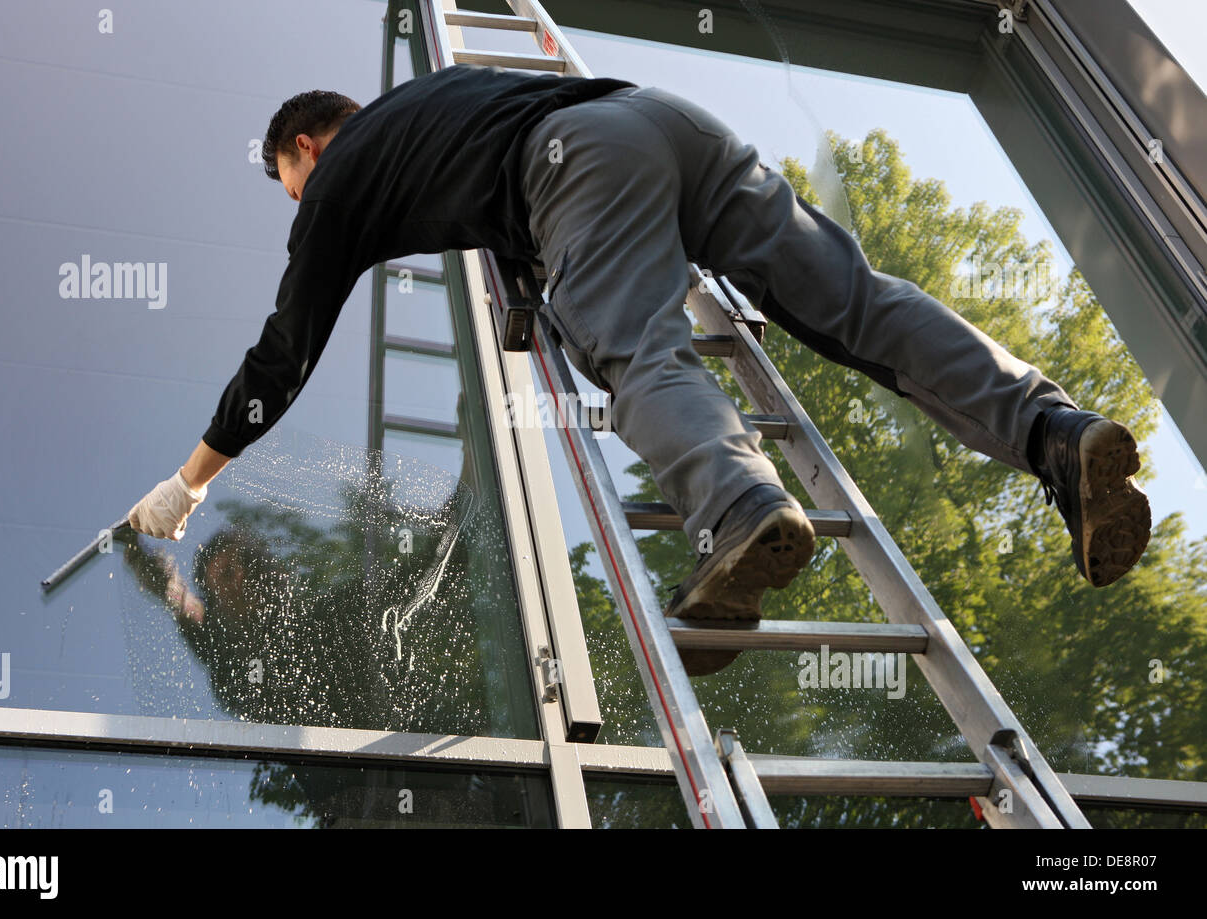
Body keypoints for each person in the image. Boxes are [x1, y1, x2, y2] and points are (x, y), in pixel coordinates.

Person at [129, 64, 1151, 675]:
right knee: (850, 303)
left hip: (573, 161)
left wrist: (190, 481)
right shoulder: (446, 101)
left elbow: (284, 352)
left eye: (288, 182)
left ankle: (738, 509)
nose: (298, 204)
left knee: (633, 349)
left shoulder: (343, 174)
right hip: (672, 128)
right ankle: (1057, 437)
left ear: (308, 146)